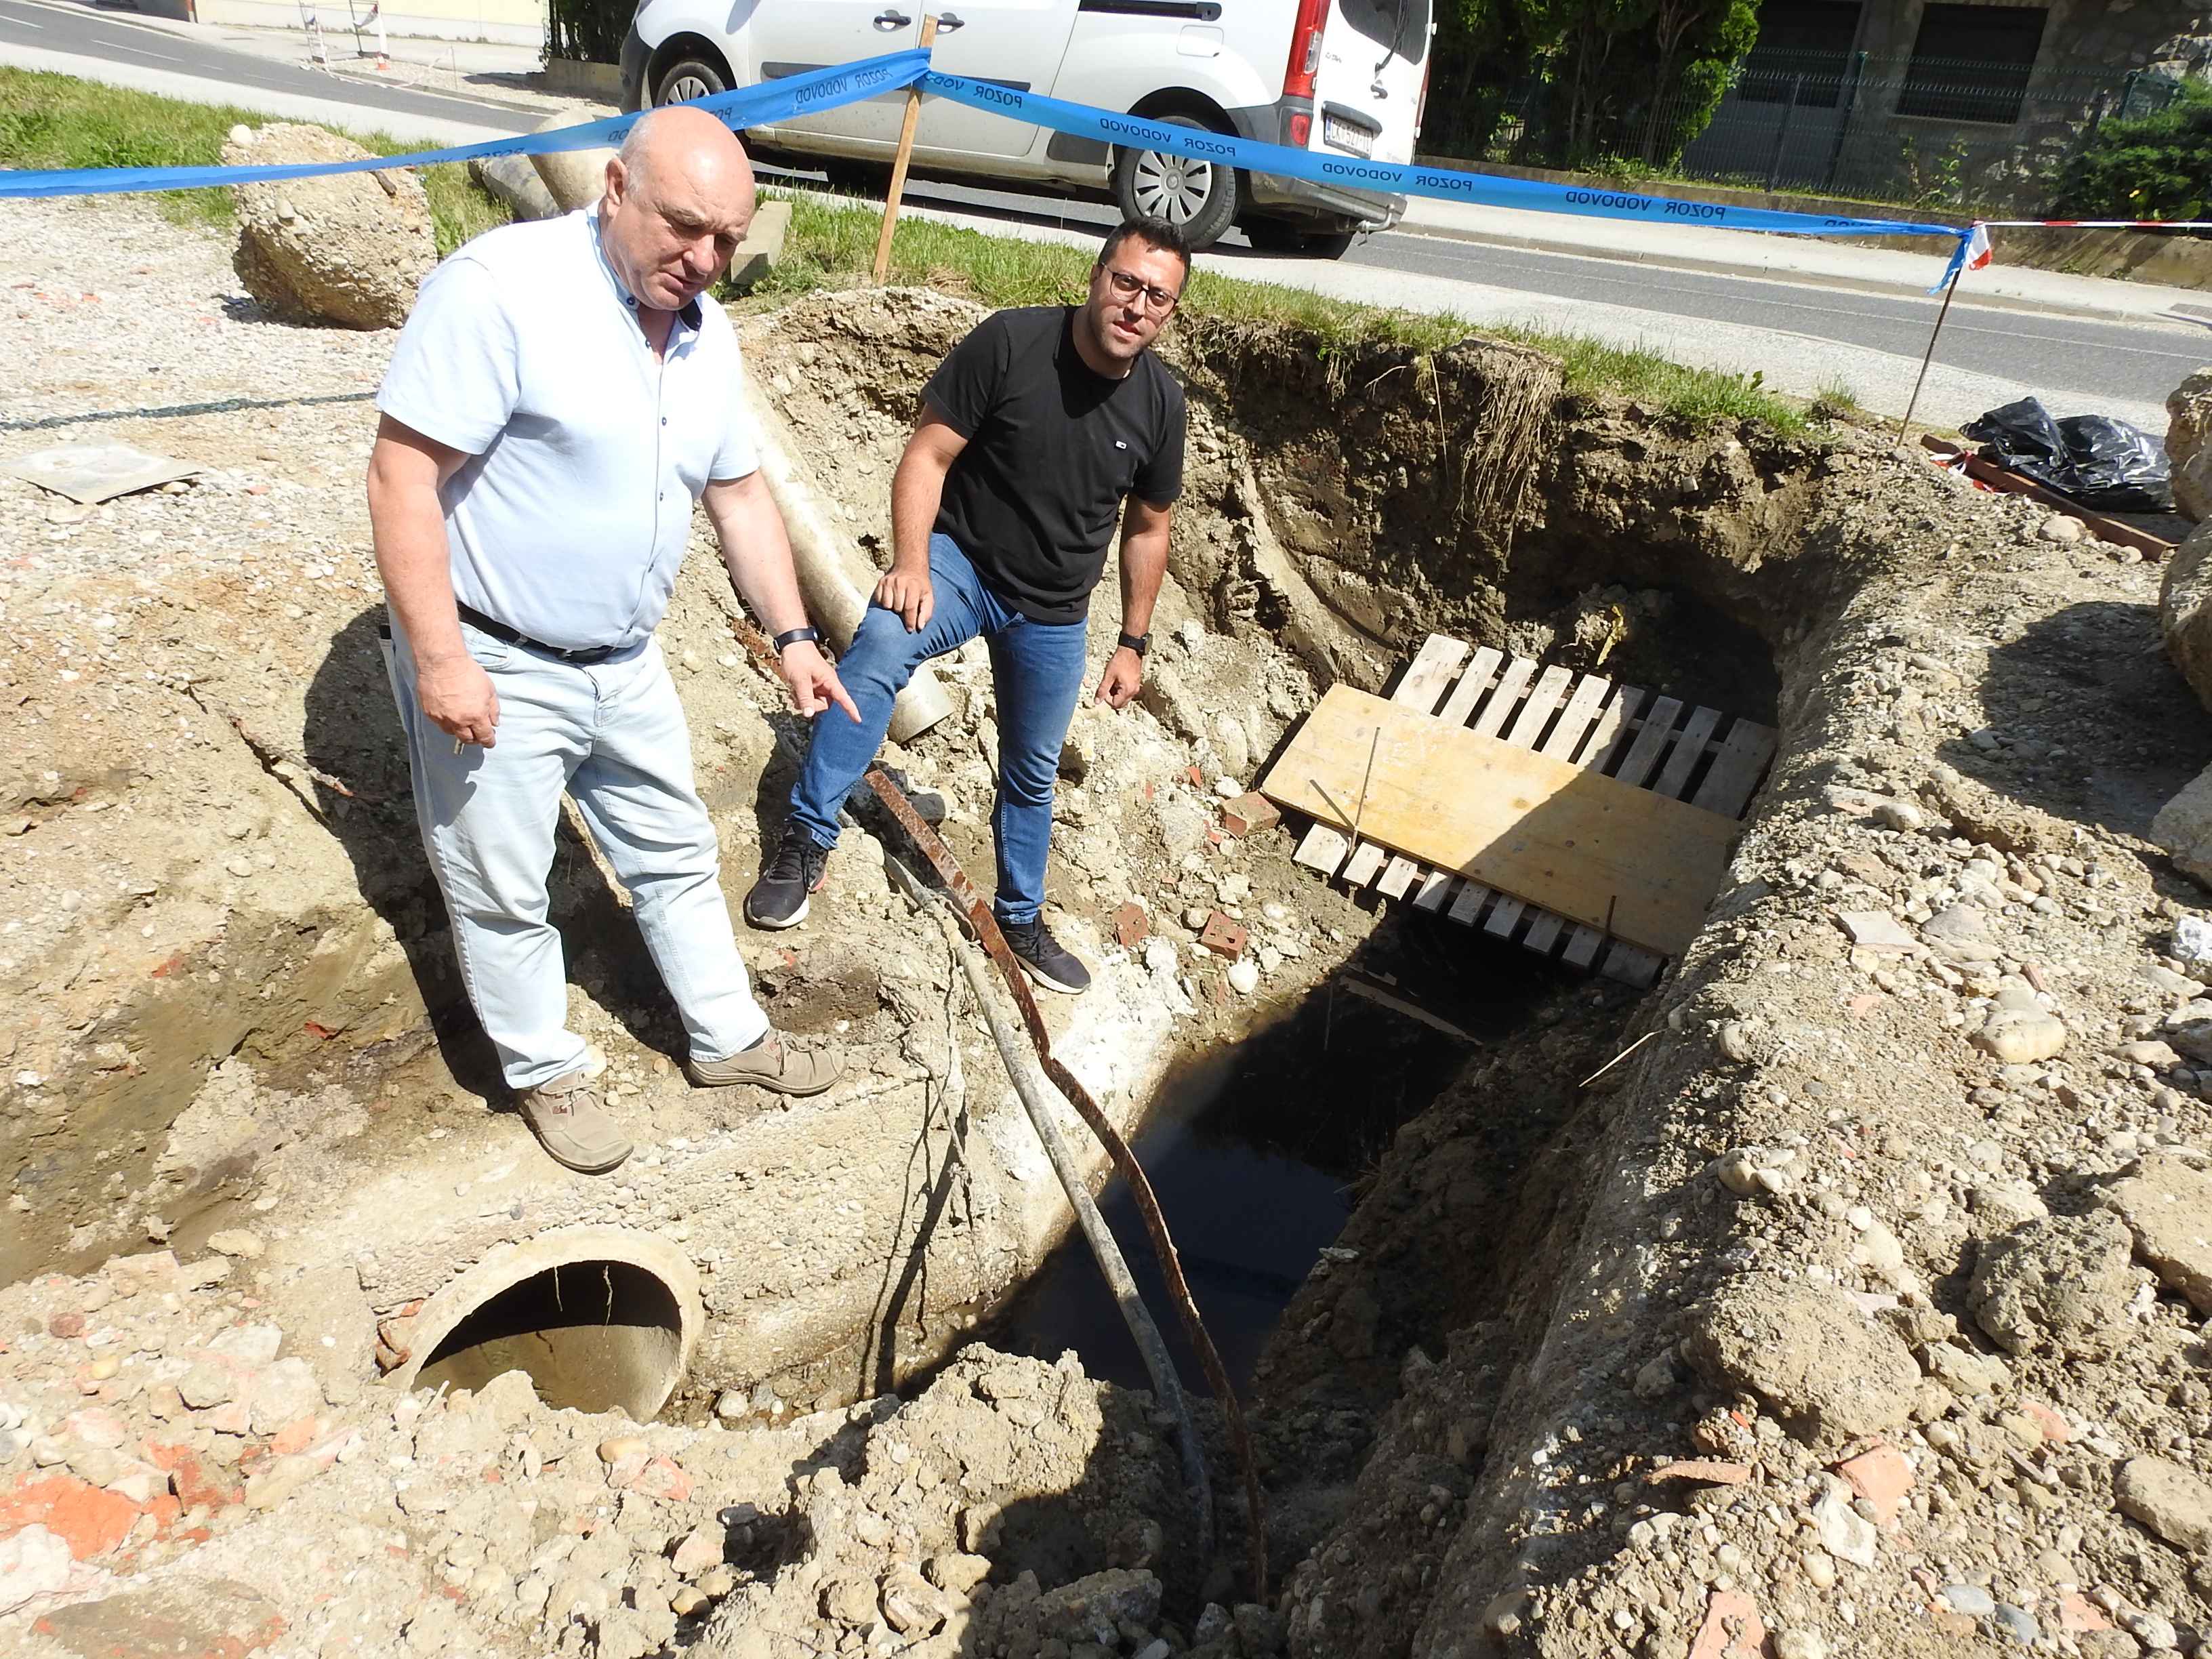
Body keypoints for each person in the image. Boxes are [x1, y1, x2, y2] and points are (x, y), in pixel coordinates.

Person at [365, 105, 855, 1176]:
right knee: (500, 880)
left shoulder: (706, 336)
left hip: (624, 660)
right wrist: (442, 658)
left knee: (676, 849)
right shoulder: (503, 293)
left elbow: (739, 497)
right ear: (615, 189)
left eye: (728, 238)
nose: (706, 258)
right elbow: (403, 475)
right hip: (497, 652)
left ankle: (730, 1041)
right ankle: (544, 1070)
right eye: (685, 228)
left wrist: (793, 635)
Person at [745, 216, 1190, 996]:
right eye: (1127, 282)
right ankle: (807, 839)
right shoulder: (1012, 344)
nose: (1137, 305)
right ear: (1097, 277)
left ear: (1169, 312)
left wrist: (1134, 642)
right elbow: (930, 452)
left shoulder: (1159, 404)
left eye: (1158, 296)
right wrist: (912, 563)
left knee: (1033, 770)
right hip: (961, 564)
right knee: (879, 647)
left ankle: (1020, 918)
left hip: (1054, 608)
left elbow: (1150, 530)